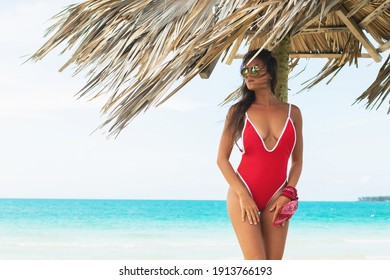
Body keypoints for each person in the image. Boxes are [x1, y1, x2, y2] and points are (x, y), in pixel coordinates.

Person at [217, 48, 303, 260]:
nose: (249, 74)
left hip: (279, 196)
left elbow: (298, 160)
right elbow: (222, 160)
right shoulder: (238, 111)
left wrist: (288, 193)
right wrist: (243, 196)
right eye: (245, 70)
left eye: (254, 69)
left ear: (271, 72)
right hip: (243, 193)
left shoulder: (293, 112)